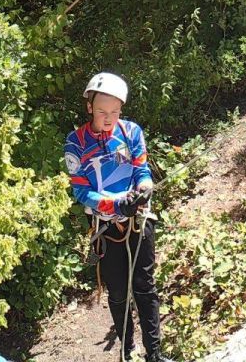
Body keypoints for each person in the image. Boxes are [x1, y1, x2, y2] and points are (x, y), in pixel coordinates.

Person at [63, 73, 172, 362]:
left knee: (145, 286)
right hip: (106, 227)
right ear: (89, 107)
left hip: (138, 219)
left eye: (114, 111)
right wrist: (114, 204)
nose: (108, 118)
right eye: (102, 111)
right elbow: (81, 191)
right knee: (119, 291)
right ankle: (126, 350)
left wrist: (144, 189)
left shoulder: (130, 132)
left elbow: (141, 171)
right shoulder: (76, 143)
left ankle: (154, 354)